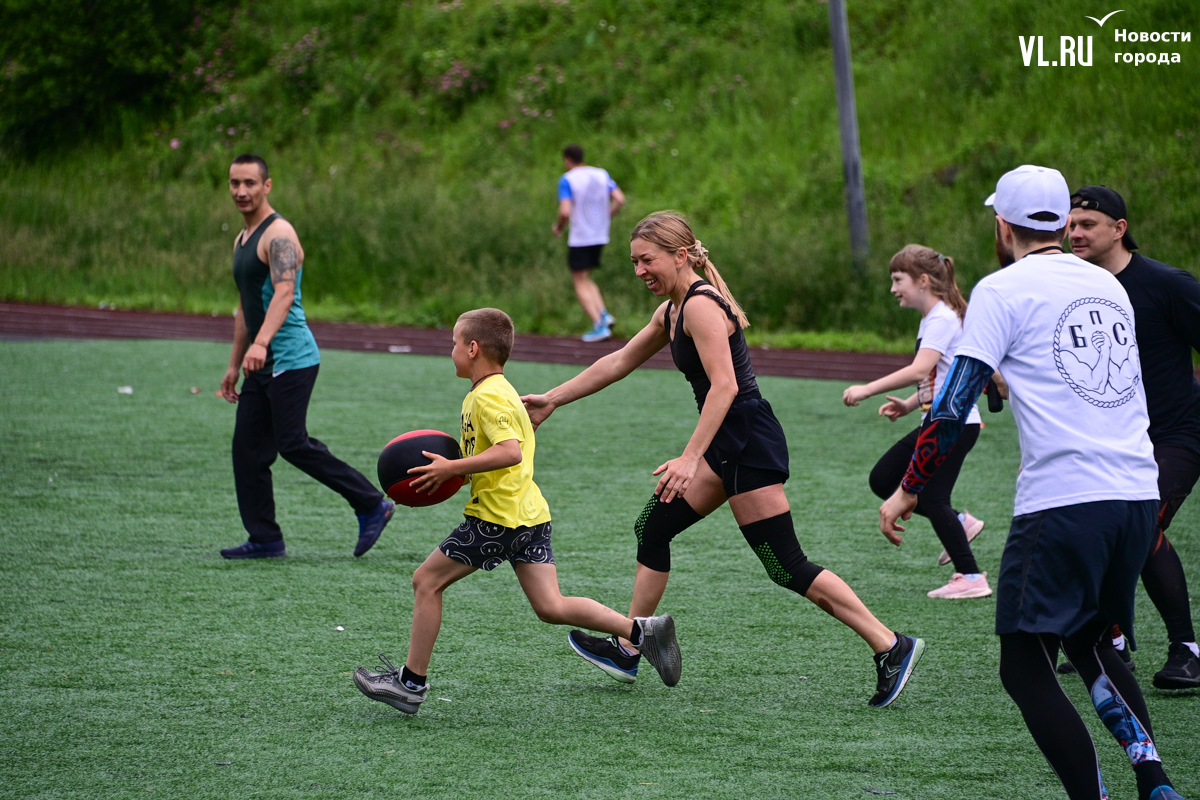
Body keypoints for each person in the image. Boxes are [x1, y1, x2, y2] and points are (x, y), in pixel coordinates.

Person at [524, 212, 925, 707]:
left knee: (785, 564)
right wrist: (553, 399)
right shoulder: (672, 310)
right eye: (633, 262)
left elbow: (727, 386)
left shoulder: (699, 307)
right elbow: (618, 360)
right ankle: (631, 646)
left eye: (646, 260)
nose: (638, 271)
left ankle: (890, 645)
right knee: (655, 525)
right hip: (728, 443)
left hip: (747, 443)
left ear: (681, 255)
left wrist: (691, 458)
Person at [880, 165, 1185, 800]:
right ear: (1061, 221)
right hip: (1136, 492)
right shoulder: (1108, 287)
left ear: (1003, 223)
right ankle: (1154, 782)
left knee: (1024, 668)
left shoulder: (1001, 289)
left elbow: (953, 399)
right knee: (1094, 641)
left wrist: (910, 486)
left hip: (1066, 500)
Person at [353, 308, 681, 715]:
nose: (451, 350)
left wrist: (452, 468)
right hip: (529, 515)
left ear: (473, 349)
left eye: (454, 343)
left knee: (426, 582)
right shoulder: (500, 391)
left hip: (496, 519)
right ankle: (642, 631)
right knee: (551, 606)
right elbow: (505, 452)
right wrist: (455, 477)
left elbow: (508, 452)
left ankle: (410, 684)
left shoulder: (488, 396)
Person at [1057, 185, 1200, 690]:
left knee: (1142, 530)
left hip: (1176, 434)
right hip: (1113, 439)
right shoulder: (1076, 286)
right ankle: (1111, 640)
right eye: (1070, 224)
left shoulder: (1166, 283)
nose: (1075, 233)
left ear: (1119, 229)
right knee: (1104, 530)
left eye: (1087, 225)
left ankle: (1187, 650)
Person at [219, 154, 394, 559]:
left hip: (292, 357)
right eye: (234, 183)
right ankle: (265, 538)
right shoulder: (242, 239)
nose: (241, 191)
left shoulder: (278, 234)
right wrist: (234, 363)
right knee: (247, 450)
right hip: (261, 361)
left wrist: (262, 345)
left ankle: (371, 503)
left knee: (292, 443)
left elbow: (282, 293)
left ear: (267, 186)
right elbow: (246, 306)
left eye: (249, 183)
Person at [842, 244, 990, 599]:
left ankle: (970, 577)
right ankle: (960, 524)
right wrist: (910, 405)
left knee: (934, 497)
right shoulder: (935, 317)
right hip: (935, 420)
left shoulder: (941, 317)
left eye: (898, 280)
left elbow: (921, 369)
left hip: (955, 423)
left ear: (923, 281)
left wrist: (868, 389)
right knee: (883, 478)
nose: (893, 288)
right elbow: (943, 374)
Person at [552, 143, 625, 342]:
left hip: (581, 236)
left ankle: (598, 324)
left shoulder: (567, 179)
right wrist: (607, 216)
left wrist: (559, 226)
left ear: (567, 159)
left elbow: (565, 211)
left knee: (578, 280)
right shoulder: (601, 174)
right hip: (600, 234)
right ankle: (603, 314)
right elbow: (619, 198)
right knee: (586, 277)